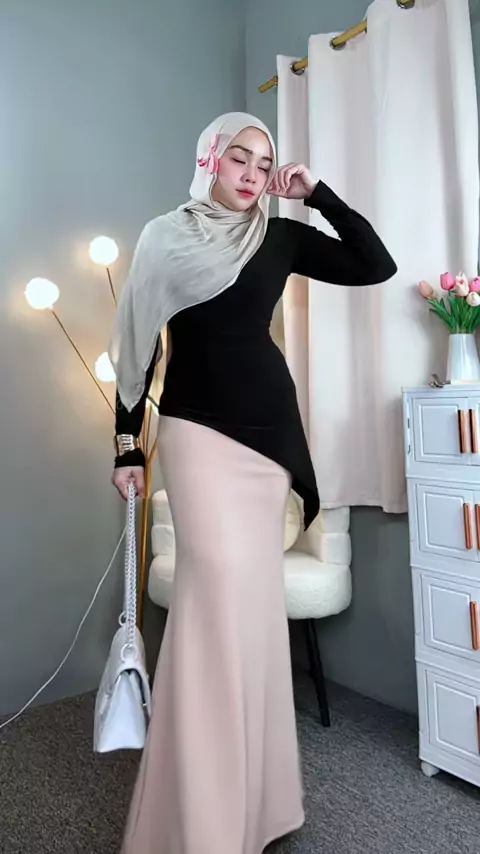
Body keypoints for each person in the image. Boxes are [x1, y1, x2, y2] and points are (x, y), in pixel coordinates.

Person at [109, 112, 397, 854]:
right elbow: (137, 344)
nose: (251, 173)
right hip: (197, 435)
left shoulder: (279, 235)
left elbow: (375, 264)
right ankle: (199, 818)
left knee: (255, 615)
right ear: (210, 157)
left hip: (268, 442)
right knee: (211, 610)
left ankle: (260, 806)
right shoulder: (163, 237)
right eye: (239, 157)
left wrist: (318, 194)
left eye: (264, 164)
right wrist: (126, 447)